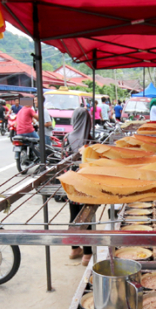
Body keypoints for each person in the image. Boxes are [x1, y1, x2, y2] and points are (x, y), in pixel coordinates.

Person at [66, 99, 94, 264]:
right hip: (85, 184)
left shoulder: (67, 138)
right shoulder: (90, 141)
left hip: (70, 183)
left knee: (73, 216)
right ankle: (87, 254)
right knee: (86, 216)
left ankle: (74, 248)